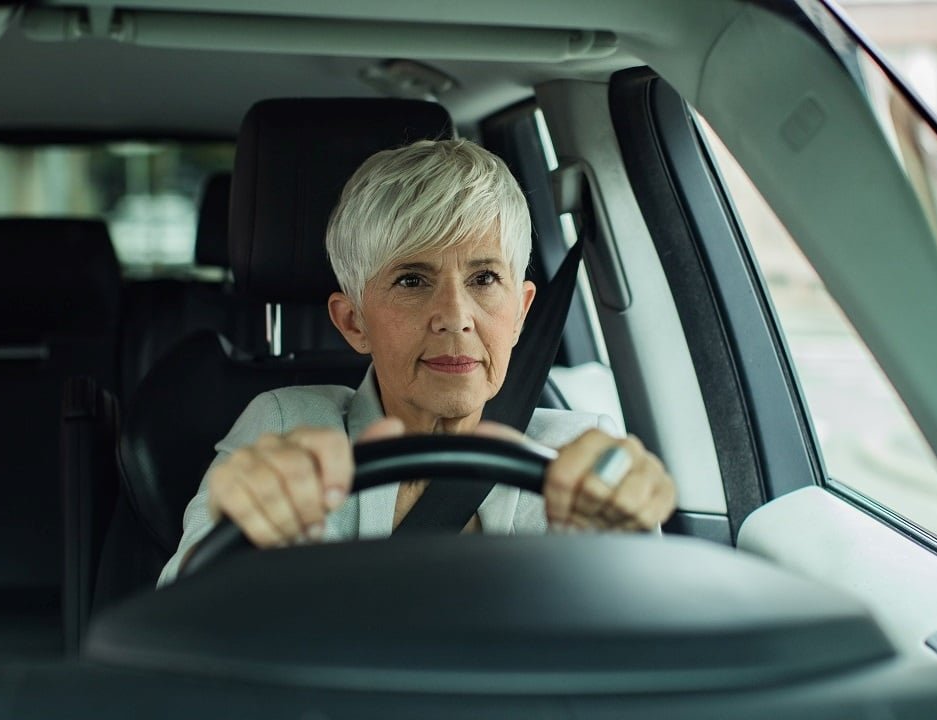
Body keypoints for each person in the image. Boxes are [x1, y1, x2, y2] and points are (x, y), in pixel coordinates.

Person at [159, 139, 676, 584]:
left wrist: (626, 552)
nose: (455, 317)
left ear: (520, 313)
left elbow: (653, 663)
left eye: (484, 279)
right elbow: (178, 626)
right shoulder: (283, 429)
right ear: (353, 322)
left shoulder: (578, 459)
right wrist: (239, 540)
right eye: (412, 280)